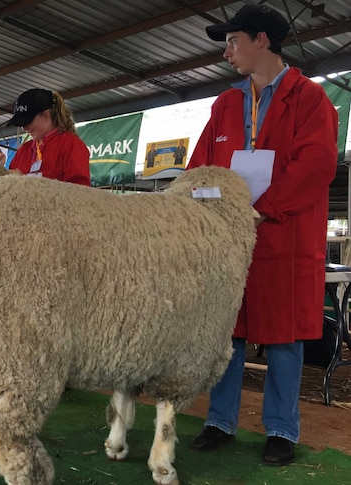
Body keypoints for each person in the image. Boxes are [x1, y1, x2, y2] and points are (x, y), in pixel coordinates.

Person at [187, 4, 338, 467]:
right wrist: (197, 205)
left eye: (233, 41)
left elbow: (315, 167)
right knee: (227, 332)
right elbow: (200, 168)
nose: (227, 52)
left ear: (261, 40)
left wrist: (263, 209)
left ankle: (281, 429)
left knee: (285, 338)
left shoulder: (311, 99)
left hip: (283, 237)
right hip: (231, 239)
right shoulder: (225, 103)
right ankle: (220, 420)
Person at [5, 88, 90, 186]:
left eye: (28, 121)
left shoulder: (71, 144)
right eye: (22, 123)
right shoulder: (24, 150)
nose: (24, 128)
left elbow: (79, 190)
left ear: (45, 115)